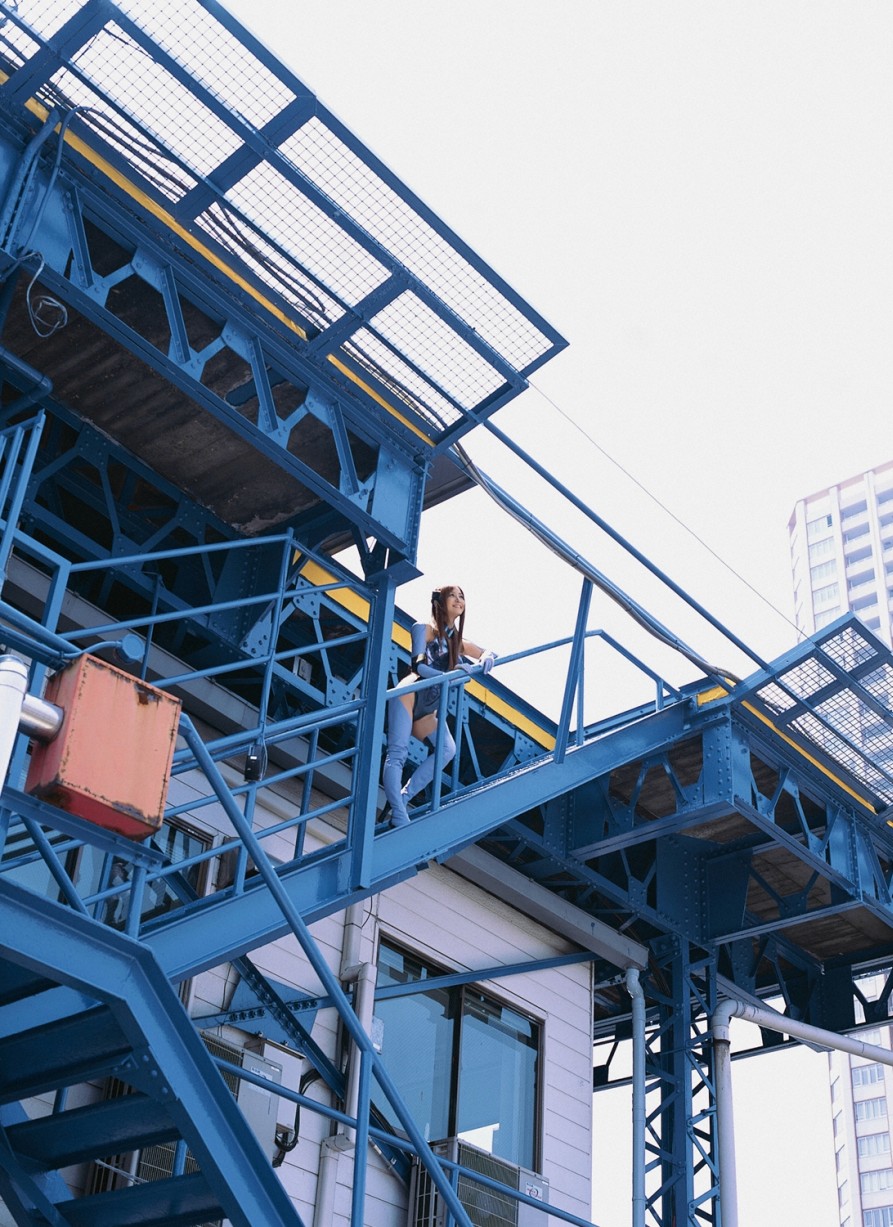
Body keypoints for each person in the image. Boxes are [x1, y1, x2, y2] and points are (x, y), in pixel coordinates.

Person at [382, 584, 496, 828]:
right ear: (440, 602)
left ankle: (402, 798)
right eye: (451, 595)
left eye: (461, 596)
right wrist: (450, 675)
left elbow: (486, 651)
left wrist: (487, 656)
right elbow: (419, 667)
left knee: (447, 749)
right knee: (397, 753)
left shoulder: (457, 641)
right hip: (410, 693)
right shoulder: (423, 628)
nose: (458, 599)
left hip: (430, 706)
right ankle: (399, 813)